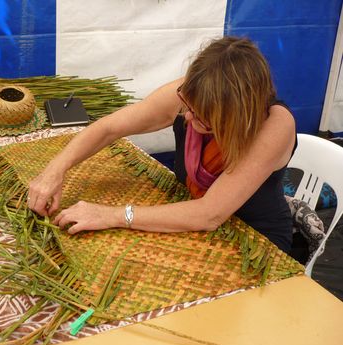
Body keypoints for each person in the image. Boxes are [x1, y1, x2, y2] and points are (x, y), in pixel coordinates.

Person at [28, 36, 296, 254]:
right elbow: (109, 128)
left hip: (254, 245)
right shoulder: (193, 93)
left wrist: (112, 215)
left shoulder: (274, 125)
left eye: (203, 118)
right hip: (191, 227)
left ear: (236, 115)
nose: (188, 117)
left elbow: (209, 214)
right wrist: (55, 170)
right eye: (188, 106)